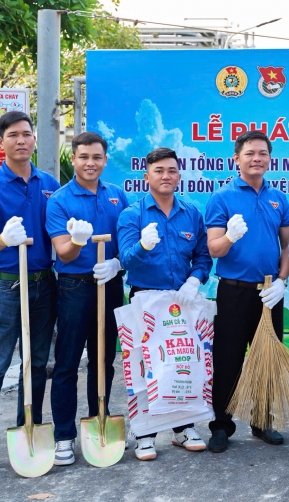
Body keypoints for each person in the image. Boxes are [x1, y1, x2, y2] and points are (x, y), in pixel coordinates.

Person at [0, 111, 60, 482]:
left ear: (34, 139)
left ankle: (28, 436)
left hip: (43, 284)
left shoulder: (49, 184)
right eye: (13, 135)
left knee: (36, 365)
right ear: (0, 142)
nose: (21, 140)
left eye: (27, 134)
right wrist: (4, 239)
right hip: (7, 286)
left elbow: (59, 232)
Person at [116, 147, 213, 459]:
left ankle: (184, 428)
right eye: (159, 171)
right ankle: (145, 433)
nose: (166, 176)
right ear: (147, 176)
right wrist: (143, 246)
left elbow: (203, 255)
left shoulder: (191, 213)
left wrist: (195, 280)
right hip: (144, 301)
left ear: (179, 175)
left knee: (183, 364)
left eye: (171, 170)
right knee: (145, 366)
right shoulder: (132, 215)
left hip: (182, 301)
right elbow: (126, 259)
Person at [204, 130, 289, 453]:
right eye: (250, 153)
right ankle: (221, 425)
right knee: (227, 360)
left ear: (270, 158)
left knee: (266, 359)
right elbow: (214, 249)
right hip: (233, 292)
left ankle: (262, 420)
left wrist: (282, 281)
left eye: (262, 153)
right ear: (236, 159)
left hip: (269, 292)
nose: (257, 158)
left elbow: (288, 247)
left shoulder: (278, 198)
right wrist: (229, 237)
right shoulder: (222, 198)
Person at [45, 131, 128, 466]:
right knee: (67, 363)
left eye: (96, 157)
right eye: (83, 157)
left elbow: (127, 242)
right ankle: (64, 436)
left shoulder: (117, 196)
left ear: (105, 160)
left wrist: (117, 263)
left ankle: (99, 423)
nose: (90, 163)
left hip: (110, 283)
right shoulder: (60, 200)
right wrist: (78, 242)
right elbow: (63, 252)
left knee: (103, 360)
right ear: (73, 159)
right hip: (74, 287)